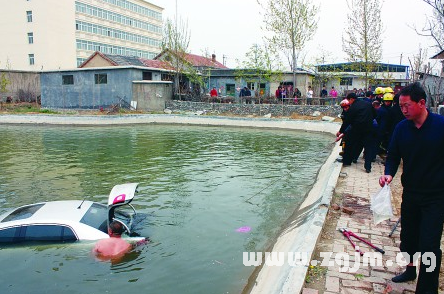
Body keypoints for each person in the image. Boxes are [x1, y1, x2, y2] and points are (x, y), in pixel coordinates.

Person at [379, 82, 444, 294]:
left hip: (436, 197)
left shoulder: (440, 126)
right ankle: (409, 270)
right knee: (408, 238)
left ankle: (426, 289)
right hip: (412, 194)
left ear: (422, 103)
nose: (403, 110)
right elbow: (393, 156)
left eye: (407, 105)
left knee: (429, 246)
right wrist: (388, 173)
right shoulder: (401, 128)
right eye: (400, 106)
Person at [341, 92, 375, 173]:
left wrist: (341, 131)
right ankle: (368, 167)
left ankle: (347, 161)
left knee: (349, 144)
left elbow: (347, 121)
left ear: (351, 99)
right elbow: (374, 114)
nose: (349, 103)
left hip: (357, 129)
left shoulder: (353, 108)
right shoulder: (368, 104)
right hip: (369, 129)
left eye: (349, 101)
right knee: (368, 148)